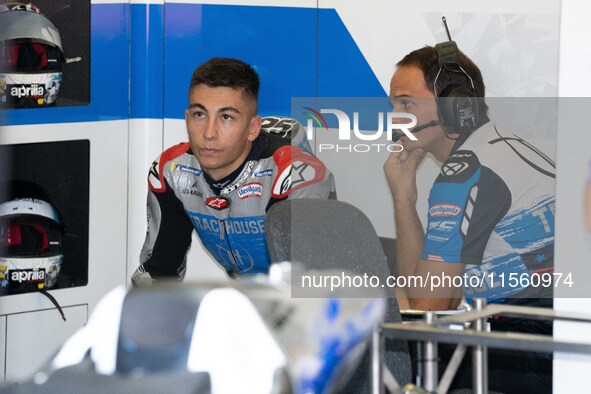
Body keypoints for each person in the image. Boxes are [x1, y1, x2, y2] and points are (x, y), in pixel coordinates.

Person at [383, 45, 555, 392]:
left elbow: (426, 308)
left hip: (523, 357)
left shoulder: (466, 173)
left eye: (406, 104)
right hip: (548, 341)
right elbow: (423, 288)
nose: (394, 118)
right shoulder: (506, 146)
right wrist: (404, 197)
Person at [132, 57, 335, 285]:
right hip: (247, 297)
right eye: (200, 114)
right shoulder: (171, 172)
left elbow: (311, 288)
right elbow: (158, 272)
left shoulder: (292, 175)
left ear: (252, 128)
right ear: (187, 119)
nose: (209, 133)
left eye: (226, 117)